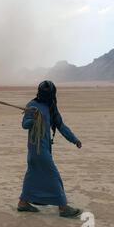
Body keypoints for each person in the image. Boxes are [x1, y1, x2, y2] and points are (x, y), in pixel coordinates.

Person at [17, 80, 83, 218]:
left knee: (32, 174)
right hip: (37, 150)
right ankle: (63, 207)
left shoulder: (51, 108)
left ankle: (23, 203)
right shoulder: (32, 106)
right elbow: (25, 125)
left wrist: (74, 139)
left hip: (43, 149)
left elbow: (61, 126)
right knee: (54, 176)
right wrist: (33, 118)